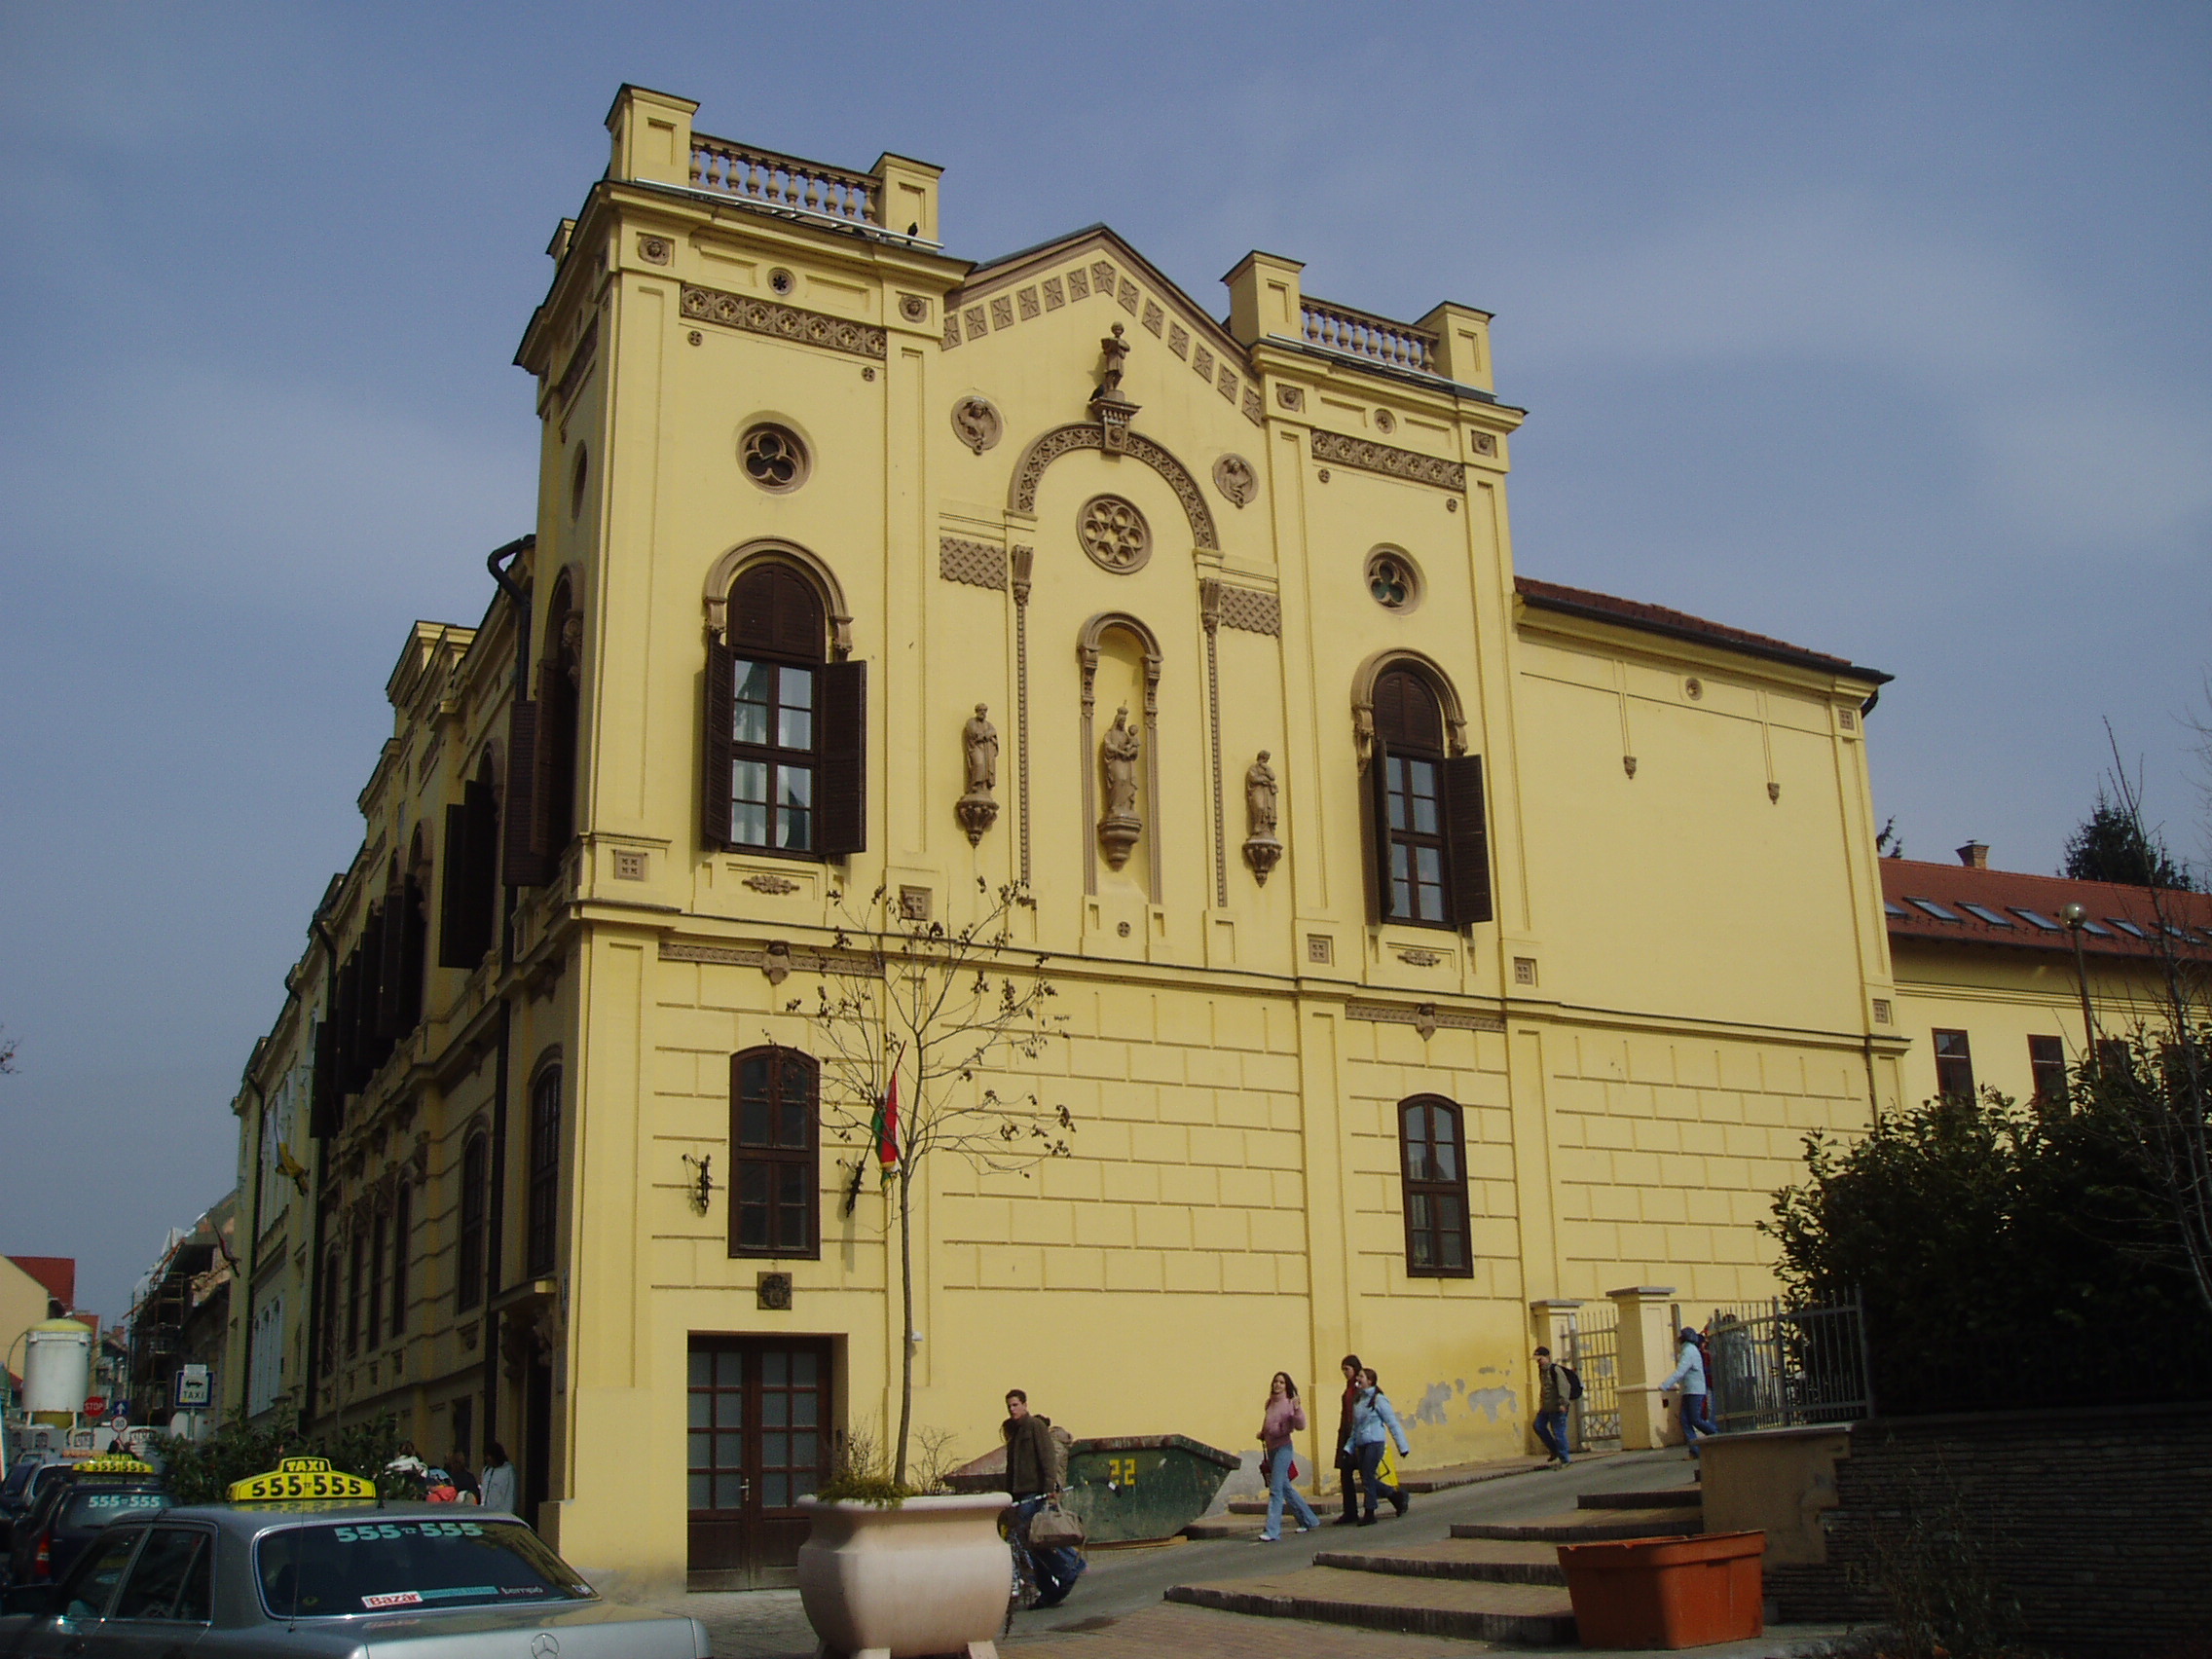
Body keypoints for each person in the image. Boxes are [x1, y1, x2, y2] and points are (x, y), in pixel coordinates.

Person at [1002, 1390, 1083, 1608]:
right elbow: (1012, 1467)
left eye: (1015, 1405)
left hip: (1034, 1492)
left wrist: (1049, 1488)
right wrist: (1009, 1496)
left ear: (1025, 1404)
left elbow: (1047, 1459)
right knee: (1033, 1543)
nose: (1012, 1409)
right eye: (1009, 1406)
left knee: (1035, 1539)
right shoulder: (1015, 1431)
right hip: (1020, 1494)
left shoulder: (1035, 1427)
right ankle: (1050, 1587)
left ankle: (1068, 1568)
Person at [1255, 1372, 1319, 1542]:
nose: (1277, 1385)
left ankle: (1272, 1530)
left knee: (1275, 1489)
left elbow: (1301, 1425)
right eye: (1275, 1381)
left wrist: (1297, 1409)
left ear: (1287, 1386)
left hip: (1283, 1448)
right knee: (1285, 1487)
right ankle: (1309, 1519)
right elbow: (1268, 1422)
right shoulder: (1270, 1403)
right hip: (1271, 1449)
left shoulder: (1290, 1403)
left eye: (1282, 1382)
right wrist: (1263, 1433)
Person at [1345, 1367, 1411, 1525]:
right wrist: (1348, 1448)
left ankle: (1370, 1512)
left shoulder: (1379, 1399)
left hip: (1375, 1442)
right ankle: (1395, 1496)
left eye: (1361, 1377)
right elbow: (1356, 1428)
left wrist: (1403, 1447)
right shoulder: (1359, 1400)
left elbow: (1392, 1423)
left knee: (1367, 1477)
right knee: (1366, 1478)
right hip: (1362, 1443)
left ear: (1370, 1381)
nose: (1358, 1379)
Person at [1660, 1328, 1714, 1466]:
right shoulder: (1689, 1350)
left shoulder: (1689, 1351)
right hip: (1689, 1390)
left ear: (1683, 1339)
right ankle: (1695, 1451)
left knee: (1695, 1419)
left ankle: (1717, 1436)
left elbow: (1680, 1371)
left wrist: (1666, 1385)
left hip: (1694, 1391)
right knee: (1685, 1420)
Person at [1330, 1353, 1365, 1526]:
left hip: (1360, 1434)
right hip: (1346, 1434)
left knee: (1366, 1475)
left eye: (1347, 1369)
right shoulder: (1348, 1388)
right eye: (1343, 1369)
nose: (1345, 1373)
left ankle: (1394, 1496)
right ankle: (1350, 1511)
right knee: (1345, 1473)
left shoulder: (1361, 1387)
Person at [1533, 1346, 1572, 1467]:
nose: (1538, 1362)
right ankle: (1554, 1450)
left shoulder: (1555, 1370)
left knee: (1559, 1432)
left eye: (1540, 1359)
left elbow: (1564, 1387)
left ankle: (1565, 1459)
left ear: (1547, 1357)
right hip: (1546, 1407)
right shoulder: (1542, 1371)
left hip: (1558, 1407)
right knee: (1538, 1426)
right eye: (1537, 1360)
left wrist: (1563, 1403)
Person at [479, 1442, 517, 1515]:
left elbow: (510, 1496)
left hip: (500, 1514)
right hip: (485, 1513)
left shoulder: (508, 1471)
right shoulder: (486, 1471)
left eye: (489, 1456)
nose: (487, 1459)